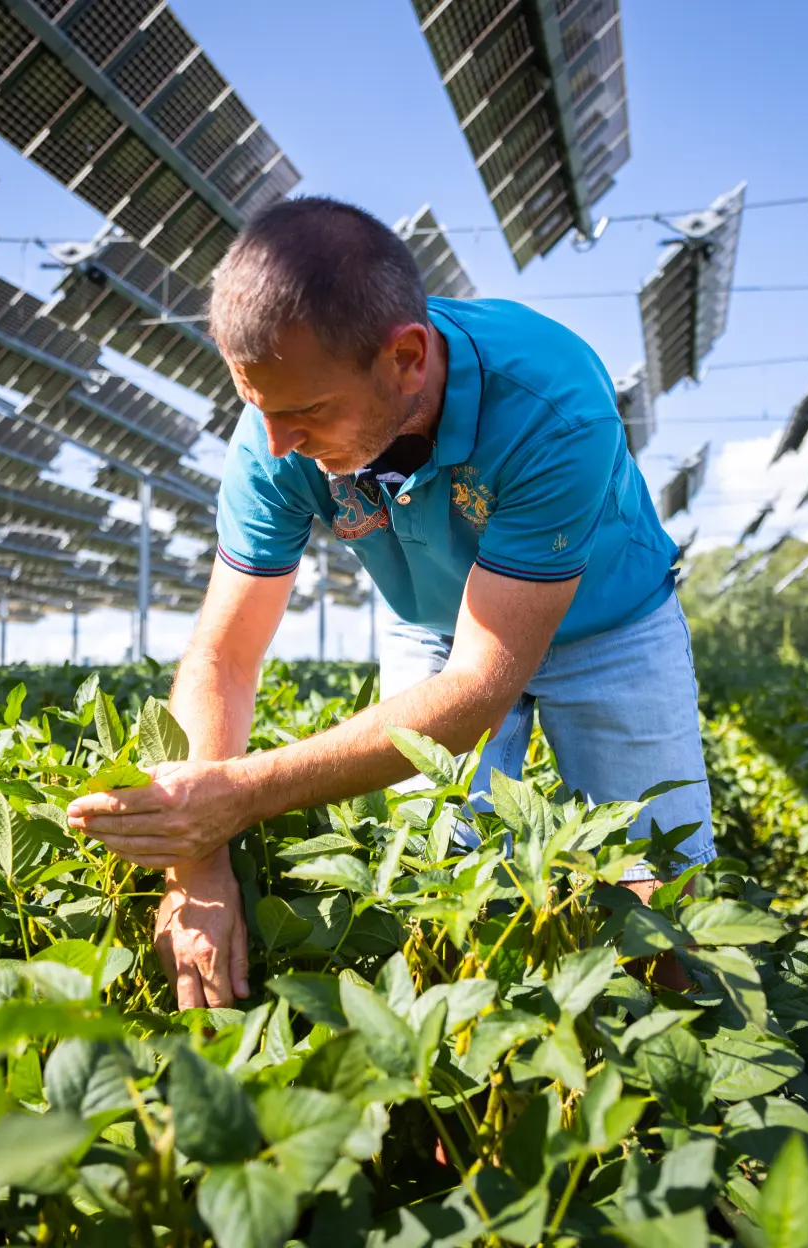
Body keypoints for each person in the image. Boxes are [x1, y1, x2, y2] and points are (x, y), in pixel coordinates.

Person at [67, 196, 714, 1009]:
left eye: (304, 413)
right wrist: (196, 866)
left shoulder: (549, 402)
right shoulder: (274, 434)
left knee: (659, 891)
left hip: (610, 625)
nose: (278, 444)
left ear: (408, 357)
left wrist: (241, 795)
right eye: (260, 408)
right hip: (437, 628)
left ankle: (680, 1095)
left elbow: (482, 687)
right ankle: (461, 1082)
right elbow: (223, 657)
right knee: (430, 882)